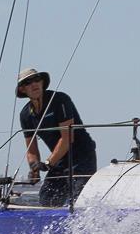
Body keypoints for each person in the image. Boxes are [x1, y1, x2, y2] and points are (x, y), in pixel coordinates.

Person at [16, 68, 97, 206]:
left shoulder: (59, 100)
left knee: (76, 199)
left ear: (42, 82)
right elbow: (31, 150)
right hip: (60, 160)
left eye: (37, 79)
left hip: (82, 157)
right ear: (23, 89)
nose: (34, 84)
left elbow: (67, 139)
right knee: (46, 198)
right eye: (28, 82)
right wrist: (34, 169)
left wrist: (47, 163)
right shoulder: (25, 115)